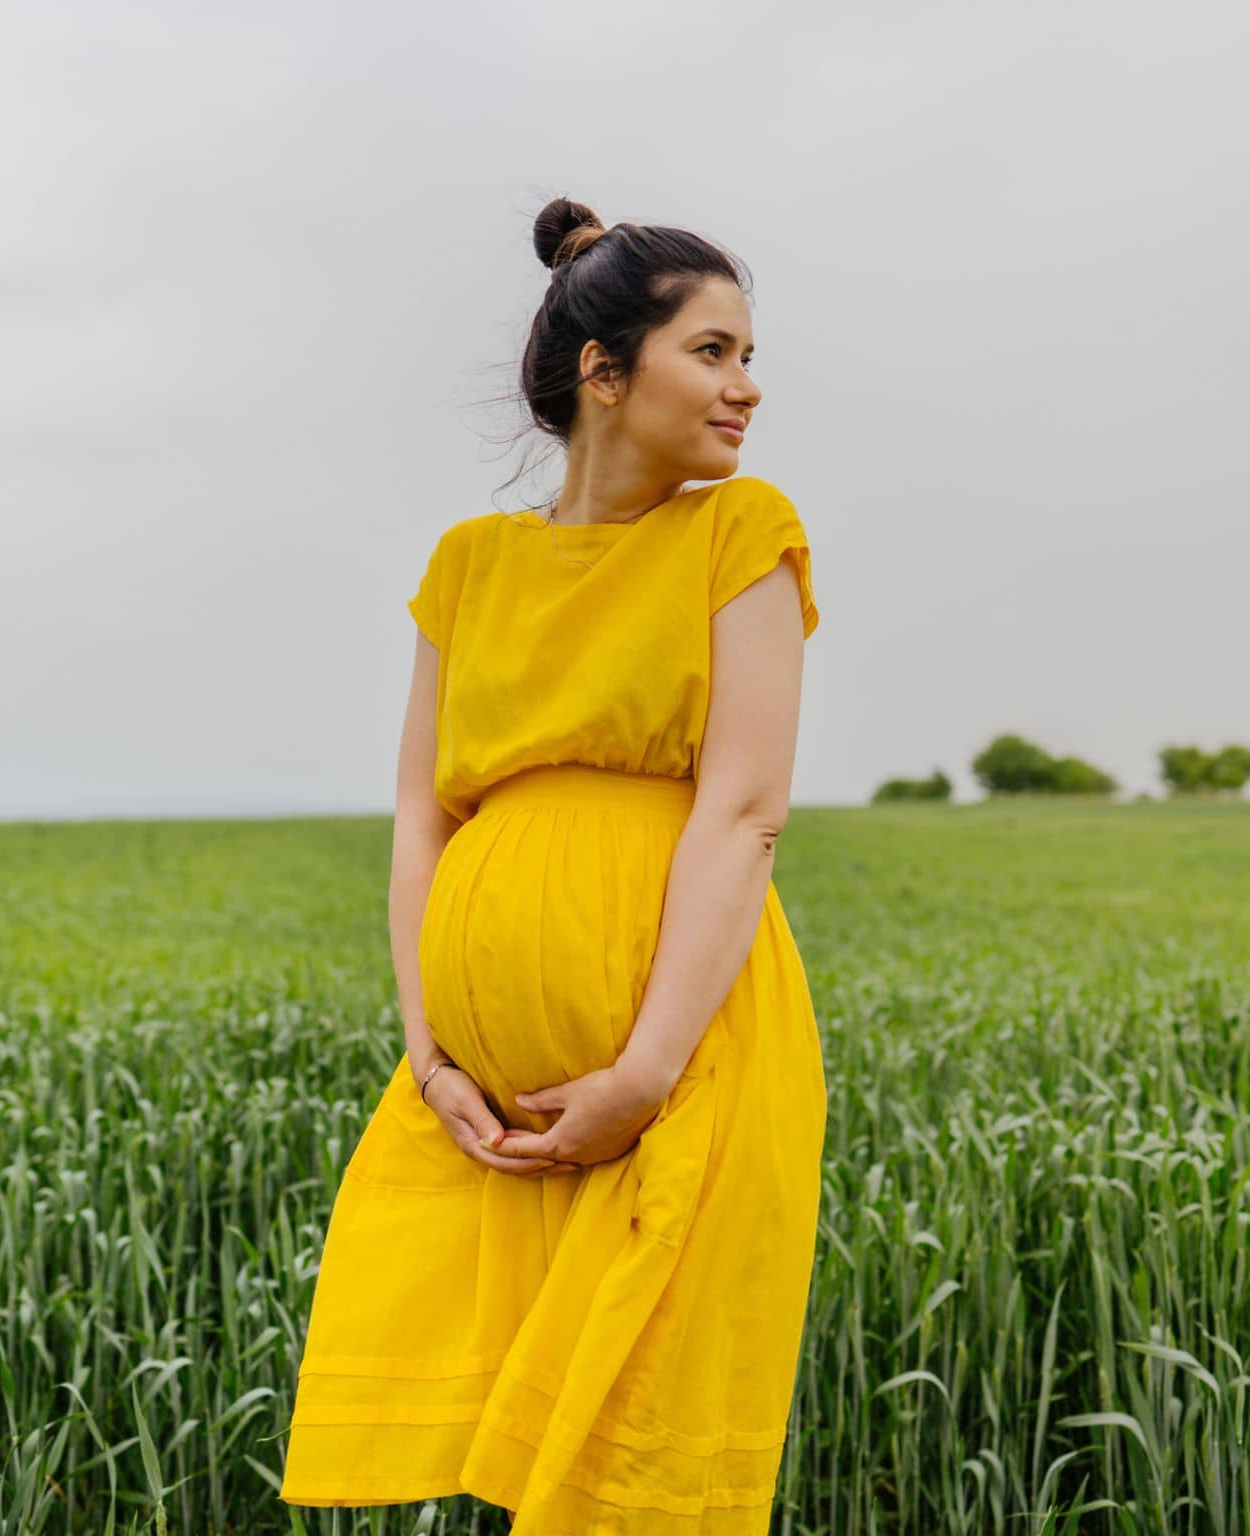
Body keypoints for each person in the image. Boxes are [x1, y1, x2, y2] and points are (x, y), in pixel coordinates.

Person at [279, 196, 827, 1533]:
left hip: (679, 1068)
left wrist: (640, 1075)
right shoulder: (468, 567)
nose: (746, 387)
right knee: (483, 1460)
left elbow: (744, 811)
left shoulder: (737, 533)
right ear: (605, 371)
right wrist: (431, 1055)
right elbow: (424, 819)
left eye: (749, 355)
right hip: (479, 1112)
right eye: (712, 350)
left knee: (633, 1479)